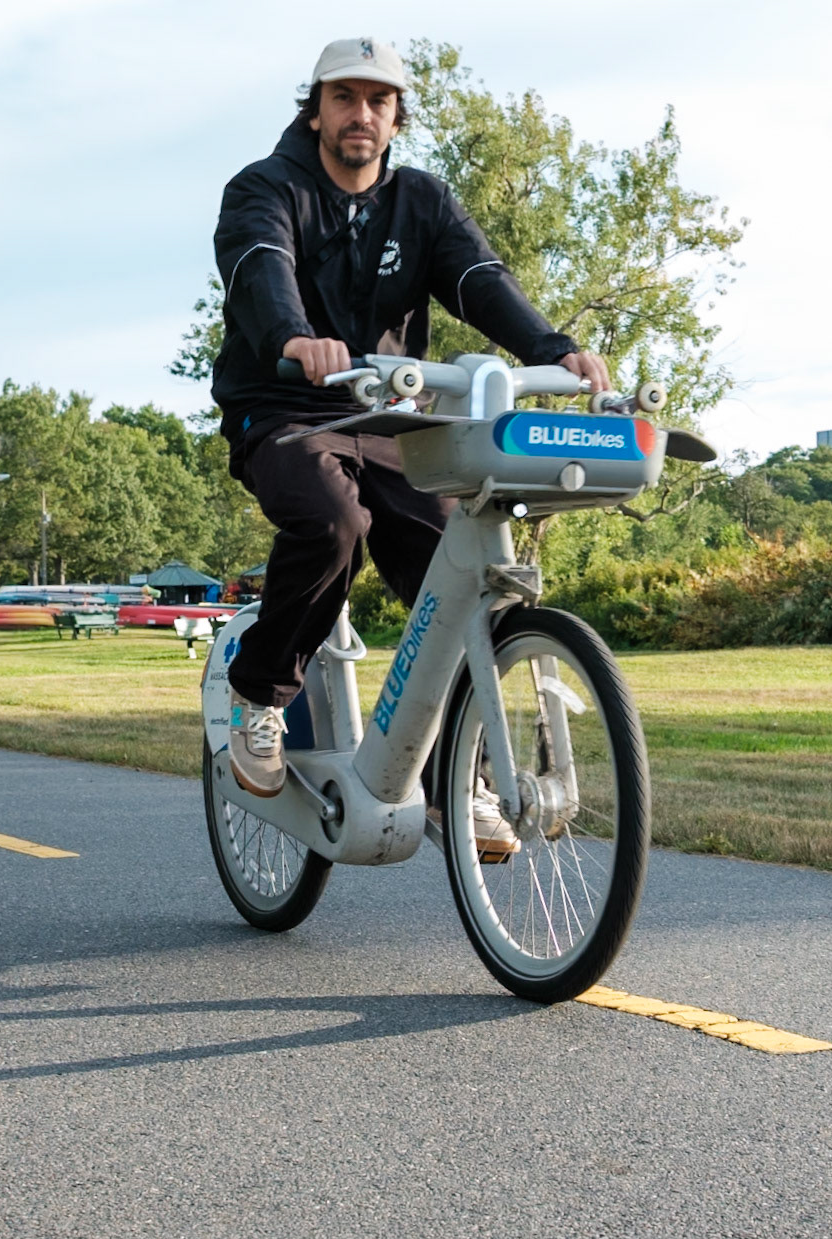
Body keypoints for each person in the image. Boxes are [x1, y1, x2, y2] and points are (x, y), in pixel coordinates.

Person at [210, 37, 611, 844]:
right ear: (315, 110)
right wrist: (293, 337)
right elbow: (260, 263)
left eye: (378, 101)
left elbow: (478, 278)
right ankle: (258, 696)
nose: (361, 114)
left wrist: (551, 348)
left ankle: (454, 778)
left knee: (458, 569)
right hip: (286, 409)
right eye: (344, 98)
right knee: (333, 524)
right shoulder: (265, 187)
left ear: (396, 118)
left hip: (390, 418)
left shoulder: (421, 200)